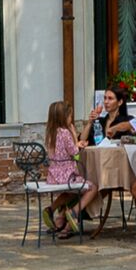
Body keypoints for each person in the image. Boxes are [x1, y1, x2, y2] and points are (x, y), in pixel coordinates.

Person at [37, 99, 87, 235]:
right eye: (70, 116)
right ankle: (73, 213)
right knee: (90, 187)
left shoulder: (51, 133)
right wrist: (78, 143)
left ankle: (52, 209)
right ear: (64, 117)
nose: (71, 118)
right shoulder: (65, 132)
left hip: (54, 175)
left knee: (69, 193)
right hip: (67, 174)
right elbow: (74, 153)